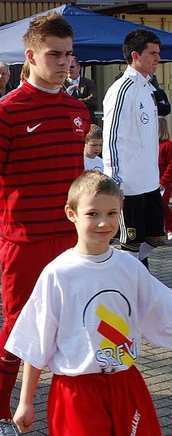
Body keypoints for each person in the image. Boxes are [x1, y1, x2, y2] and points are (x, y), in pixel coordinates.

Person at [0, 13, 90, 436]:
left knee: (71, 329)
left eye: (68, 54)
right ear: (31, 56)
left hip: (72, 243)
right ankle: (0, 415)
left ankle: (69, 419)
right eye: (54, 55)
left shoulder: (78, 110)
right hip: (23, 243)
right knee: (18, 331)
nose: (64, 63)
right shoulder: (5, 111)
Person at [9, 170, 172, 436]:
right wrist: (25, 402)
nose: (103, 222)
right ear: (71, 213)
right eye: (92, 213)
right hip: (77, 393)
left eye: (111, 213)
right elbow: (36, 342)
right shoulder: (58, 274)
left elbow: (163, 310)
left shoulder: (130, 267)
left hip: (126, 385)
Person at [103, 29, 164, 268]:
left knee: (155, 238)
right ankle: (125, 291)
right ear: (136, 55)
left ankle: (133, 283)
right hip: (128, 187)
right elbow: (111, 138)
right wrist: (115, 183)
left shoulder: (149, 89)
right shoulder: (121, 89)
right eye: (153, 53)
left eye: (159, 53)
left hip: (150, 183)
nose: (158, 58)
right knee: (131, 246)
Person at [65, 55, 97, 122]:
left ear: (78, 67)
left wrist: (76, 102)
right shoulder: (61, 84)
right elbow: (60, 100)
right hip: (69, 121)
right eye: (66, 67)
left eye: (71, 67)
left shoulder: (89, 82)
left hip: (87, 120)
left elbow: (92, 99)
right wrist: (68, 91)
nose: (68, 69)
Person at [158, 116, 172, 241]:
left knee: (163, 204)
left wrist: (164, 181)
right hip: (152, 181)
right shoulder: (151, 145)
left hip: (164, 182)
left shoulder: (167, 145)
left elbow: (170, 165)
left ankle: (169, 227)